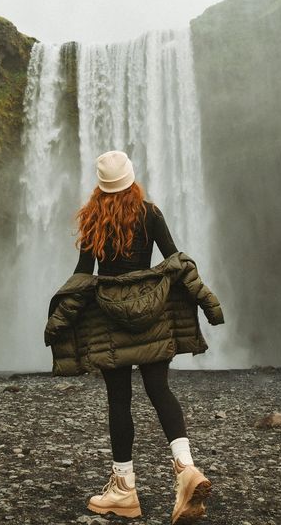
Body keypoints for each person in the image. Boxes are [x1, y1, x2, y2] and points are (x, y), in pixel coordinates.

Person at [72, 150, 212, 524]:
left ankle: (124, 490)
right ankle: (186, 469)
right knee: (160, 391)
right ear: (132, 179)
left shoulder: (93, 220)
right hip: (152, 317)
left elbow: (84, 275)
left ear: (101, 187)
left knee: (119, 399)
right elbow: (173, 260)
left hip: (110, 323)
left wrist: (62, 319)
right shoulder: (149, 213)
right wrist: (201, 298)